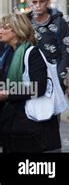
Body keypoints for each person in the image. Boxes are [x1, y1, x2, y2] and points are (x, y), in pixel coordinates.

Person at [0, 13, 61, 152]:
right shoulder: (7, 53)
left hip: (30, 124)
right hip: (12, 122)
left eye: (5, 27)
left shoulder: (32, 53)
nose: (0, 30)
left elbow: (38, 88)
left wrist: (8, 94)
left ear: (17, 30)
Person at [27, 0, 69, 89]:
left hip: (54, 76)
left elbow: (67, 52)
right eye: (34, 2)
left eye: (41, 1)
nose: (38, 5)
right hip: (31, 77)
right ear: (30, 3)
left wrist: (59, 75)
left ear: (47, 2)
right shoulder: (25, 23)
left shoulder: (59, 22)